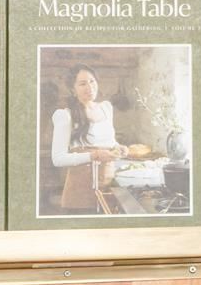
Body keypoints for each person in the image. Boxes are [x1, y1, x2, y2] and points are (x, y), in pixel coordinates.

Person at [47, 64, 147, 215]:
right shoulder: (65, 115)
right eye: (82, 84)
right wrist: (94, 155)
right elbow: (58, 159)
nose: (89, 87)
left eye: (92, 81)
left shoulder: (106, 108)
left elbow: (110, 142)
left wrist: (120, 147)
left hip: (108, 188)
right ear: (72, 89)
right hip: (79, 196)